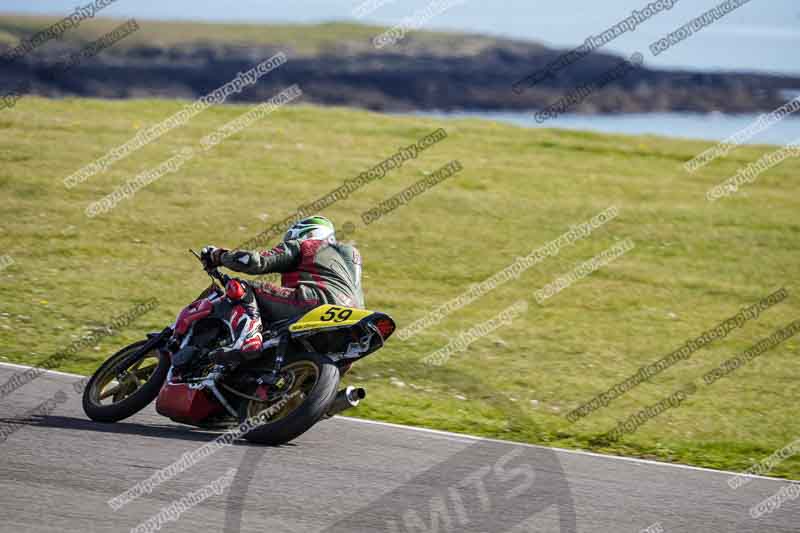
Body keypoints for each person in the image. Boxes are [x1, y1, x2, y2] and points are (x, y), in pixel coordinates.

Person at [195, 216, 364, 367]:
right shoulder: (350, 258)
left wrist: (219, 256)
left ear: (306, 232)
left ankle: (248, 339)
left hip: (314, 303)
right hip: (353, 321)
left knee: (241, 287)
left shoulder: (307, 244)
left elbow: (256, 261)